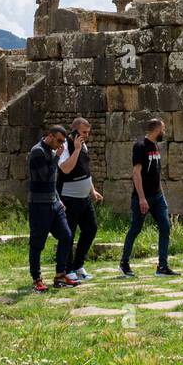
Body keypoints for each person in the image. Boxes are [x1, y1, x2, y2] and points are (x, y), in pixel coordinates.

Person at [119, 117, 178, 278]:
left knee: (165, 227)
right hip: (142, 197)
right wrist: (142, 198)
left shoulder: (155, 146)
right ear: (156, 130)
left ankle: (162, 266)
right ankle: (124, 263)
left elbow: (156, 172)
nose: (164, 132)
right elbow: (136, 173)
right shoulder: (140, 146)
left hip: (157, 197)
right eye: (163, 129)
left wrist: (161, 193)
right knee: (136, 228)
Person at [28, 125, 77, 293]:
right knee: (37, 244)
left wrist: (57, 198)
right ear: (49, 136)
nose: (61, 145)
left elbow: (51, 182)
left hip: (53, 203)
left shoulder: (50, 151)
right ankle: (37, 279)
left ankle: (60, 275)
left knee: (66, 235)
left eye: (63, 141)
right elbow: (45, 176)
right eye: (59, 141)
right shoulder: (38, 152)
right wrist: (56, 158)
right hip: (39, 205)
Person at [57, 117, 103, 281]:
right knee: (69, 234)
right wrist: (75, 149)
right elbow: (66, 169)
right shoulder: (65, 146)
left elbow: (85, 169)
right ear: (75, 131)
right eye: (84, 132)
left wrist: (92, 190)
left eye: (88, 133)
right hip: (69, 199)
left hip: (84, 197)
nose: (86, 136)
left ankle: (78, 265)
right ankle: (67, 269)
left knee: (91, 229)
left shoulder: (83, 145)